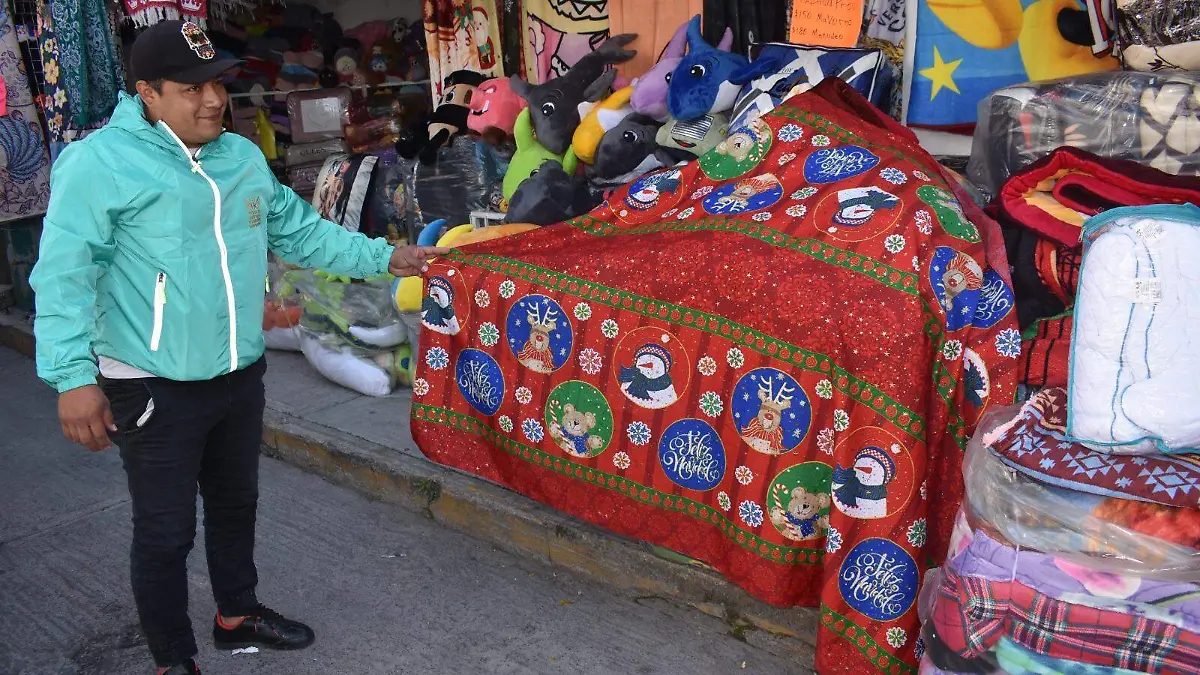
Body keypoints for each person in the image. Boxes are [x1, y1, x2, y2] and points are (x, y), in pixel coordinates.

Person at [28, 21, 446, 675]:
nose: (214, 100)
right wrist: (72, 375)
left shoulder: (240, 158)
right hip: (149, 380)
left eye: (218, 83)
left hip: (236, 372)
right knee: (165, 532)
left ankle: (237, 614)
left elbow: (303, 232)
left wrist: (389, 256)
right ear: (147, 94)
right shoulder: (100, 164)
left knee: (235, 504)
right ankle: (172, 658)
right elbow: (63, 273)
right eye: (191, 87)